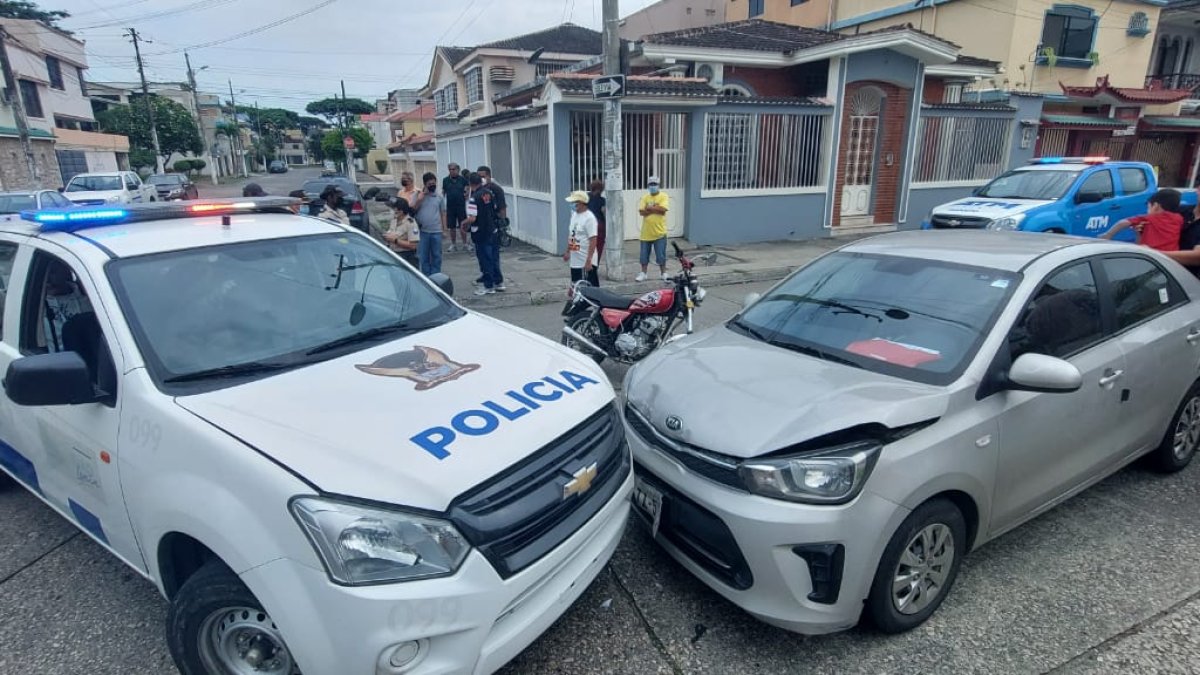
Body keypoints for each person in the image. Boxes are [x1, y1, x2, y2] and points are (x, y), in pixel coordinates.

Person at [1099, 188, 1183, 252]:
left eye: (1148, 207)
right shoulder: (1179, 219)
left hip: (1152, 256)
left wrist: (1108, 235)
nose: (1147, 211)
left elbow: (1123, 222)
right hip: (1172, 258)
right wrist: (1138, 233)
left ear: (1156, 206)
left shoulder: (1150, 219)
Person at [464, 173, 504, 295]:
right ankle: (499, 283)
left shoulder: (474, 198)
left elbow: (472, 218)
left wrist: (463, 223)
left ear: (470, 184)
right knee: (494, 258)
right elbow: (496, 209)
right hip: (493, 230)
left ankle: (488, 286)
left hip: (481, 232)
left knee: (485, 259)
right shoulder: (489, 193)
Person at [412, 171, 447, 275]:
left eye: (434, 183)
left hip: (436, 231)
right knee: (423, 256)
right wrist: (420, 199)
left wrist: (445, 229)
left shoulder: (439, 197)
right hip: (422, 232)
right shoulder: (418, 195)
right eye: (430, 184)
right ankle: (426, 277)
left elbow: (443, 213)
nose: (432, 185)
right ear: (425, 184)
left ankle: (436, 276)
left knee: (437, 256)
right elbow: (412, 209)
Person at [636, 176, 670, 282]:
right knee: (644, 255)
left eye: (655, 184)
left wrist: (649, 208)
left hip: (659, 232)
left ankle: (663, 273)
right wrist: (656, 208)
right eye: (651, 184)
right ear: (648, 186)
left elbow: (663, 210)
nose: (653, 186)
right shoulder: (645, 197)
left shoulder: (663, 196)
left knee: (661, 255)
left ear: (658, 185)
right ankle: (643, 273)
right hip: (646, 233)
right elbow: (641, 212)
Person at [564, 190, 600, 287]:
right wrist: (568, 251)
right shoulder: (574, 215)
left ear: (581, 203)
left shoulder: (589, 218)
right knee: (576, 288)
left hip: (585, 261)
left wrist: (589, 261)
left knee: (588, 290)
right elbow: (573, 234)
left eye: (574, 202)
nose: (572, 204)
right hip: (575, 261)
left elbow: (593, 240)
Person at [383, 198, 420, 267]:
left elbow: (413, 245)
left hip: (406, 257)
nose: (391, 210)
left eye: (393, 208)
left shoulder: (411, 223)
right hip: (394, 254)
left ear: (401, 210)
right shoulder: (394, 220)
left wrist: (395, 240)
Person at [443, 163, 471, 253]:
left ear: (458, 170)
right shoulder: (445, 180)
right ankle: (453, 244)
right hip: (450, 206)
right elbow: (443, 191)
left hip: (461, 206)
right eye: (450, 169)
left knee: (463, 225)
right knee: (452, 227)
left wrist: (466, 193)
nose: (452, 171)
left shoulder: (463, 180)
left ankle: (465, 244)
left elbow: (467, 188)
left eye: (454, 169)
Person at [588, 179, 607, 268]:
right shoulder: (602, 200)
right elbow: (604, 213)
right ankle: (594, 266)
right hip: (599, 225)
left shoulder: (586, 198)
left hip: (588, 226)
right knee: (598, 248)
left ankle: (587, 264)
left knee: (588, 246)